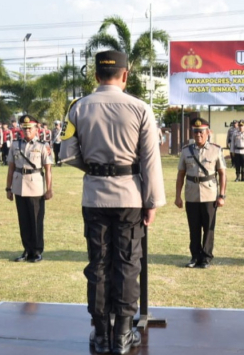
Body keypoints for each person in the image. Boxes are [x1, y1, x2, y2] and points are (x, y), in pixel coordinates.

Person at [59, 50, 165, 355]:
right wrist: (152, 201)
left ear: (96, 76)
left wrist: (94, 169)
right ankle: (122, 335)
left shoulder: (78, 108)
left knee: (99, 264)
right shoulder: (140, 108)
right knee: (128, 263)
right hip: (130, 196)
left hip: (94, 196)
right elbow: (150, 160)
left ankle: (102, 335)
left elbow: (66, 153)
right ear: (125, 74)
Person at [175, 118, 226, 269]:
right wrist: (177, 196)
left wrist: (222, 195)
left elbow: (222, 174)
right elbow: (180, 175)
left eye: (201, 132)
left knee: (208, 228)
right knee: (194, 227)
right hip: (191, 194)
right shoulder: (186, 151)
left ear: (208, 133)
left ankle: (206, 257)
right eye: (196, 132)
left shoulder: (216, 150)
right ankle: (195, 256)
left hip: (210, 194)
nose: (198, 135)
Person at [6, 115, 53, 263]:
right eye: (24, 128)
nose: (26, 130)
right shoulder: (15, 145)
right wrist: (8, 188)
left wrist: (49, 189)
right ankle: (27, 250)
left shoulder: (41, 146)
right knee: (24, 220)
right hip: (19, 186)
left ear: (36, 129)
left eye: (29, 128)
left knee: (36, 220)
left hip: (36, 187)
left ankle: (37, 251)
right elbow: (11, 168)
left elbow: (48, 169)